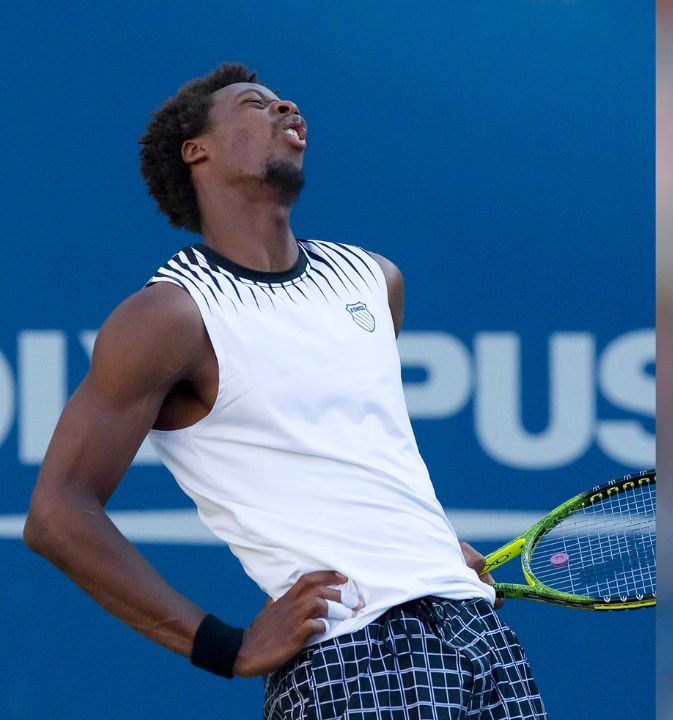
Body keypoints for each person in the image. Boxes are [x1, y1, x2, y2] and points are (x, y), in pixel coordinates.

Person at [24, 63, 546, 720]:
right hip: (352, 656)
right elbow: (56, 514)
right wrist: (224, 645)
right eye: (255, 103)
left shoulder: (374, 279)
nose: (284, 106)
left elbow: (355, 448)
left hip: (479, 634)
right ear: (197, 151)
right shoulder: (168, 318)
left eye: (284, 103)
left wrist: (426, 551)